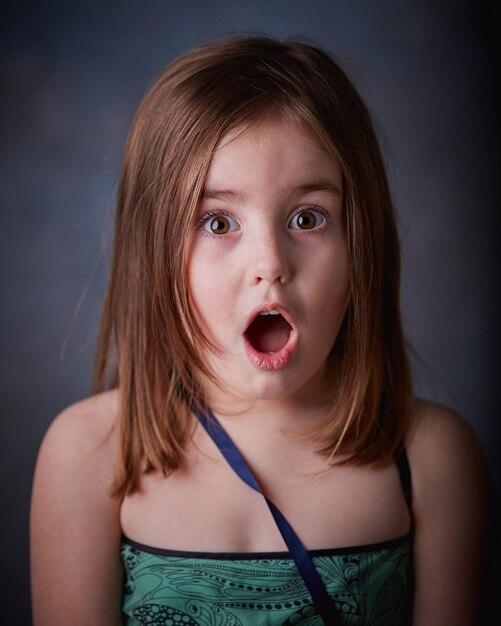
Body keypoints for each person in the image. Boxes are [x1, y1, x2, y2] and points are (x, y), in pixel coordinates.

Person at [30, 36, 489, 625]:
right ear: (155, 254)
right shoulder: (88, 456)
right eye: (218, 221)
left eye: (307, 218)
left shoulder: (431, 459)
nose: (270, 262)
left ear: (361, 246)